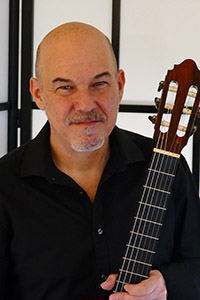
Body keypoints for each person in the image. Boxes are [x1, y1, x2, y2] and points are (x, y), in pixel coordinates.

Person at [0, 22, 200, 300]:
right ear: (38, 94)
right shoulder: (5, 185)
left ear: (119, 85)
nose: (85, 105)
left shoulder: (167, 166)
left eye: (99, 84)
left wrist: (167, 284)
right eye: (65, 87)